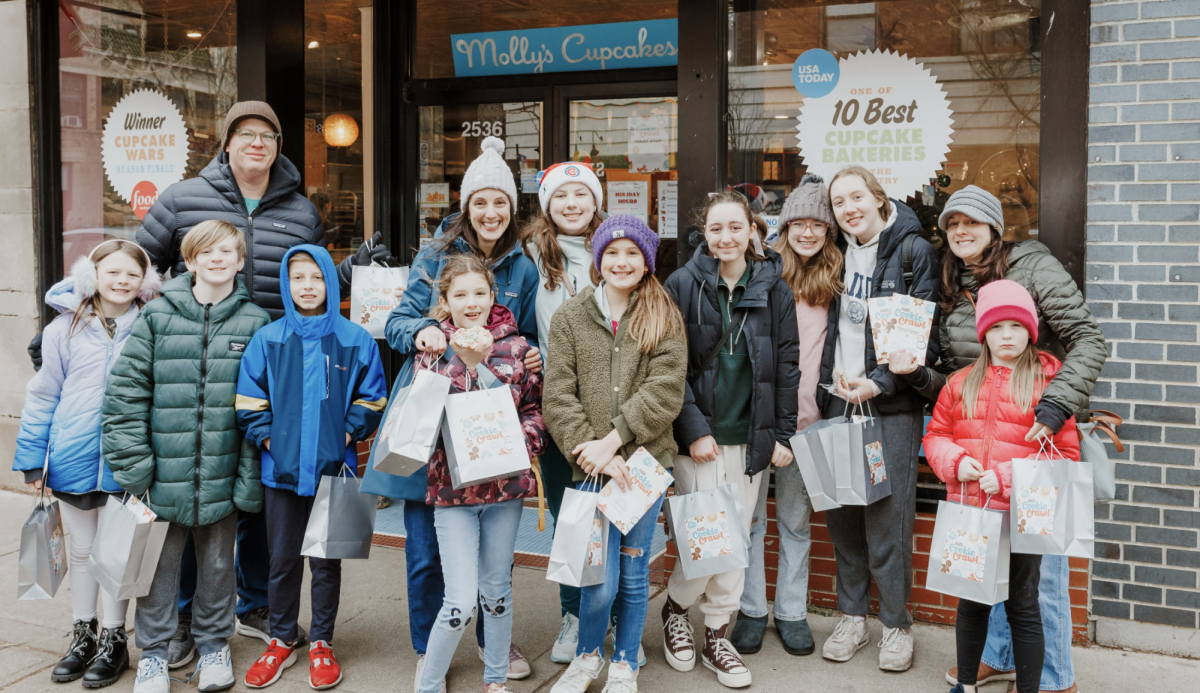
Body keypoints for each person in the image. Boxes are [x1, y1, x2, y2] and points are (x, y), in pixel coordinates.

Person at [126, 100, 391, 663]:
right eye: (245, 134)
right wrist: (88, 321)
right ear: (226, 142)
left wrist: (354, 271)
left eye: (268, 134)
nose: (257, 143)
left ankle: (254, 608)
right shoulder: (181, 199)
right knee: (198, 495)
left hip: (280, 372)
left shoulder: (299, 209)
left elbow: (311, 272)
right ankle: (182, 620)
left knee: (248, 506)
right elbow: (135, 270)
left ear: (278, 145)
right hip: (198, 368)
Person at [890, 185, 1105, 693]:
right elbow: (957, 382)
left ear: (994, 227)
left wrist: (1055, 406)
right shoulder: (953, 281)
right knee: (988, 568)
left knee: (1039, 577)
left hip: (1038, 430)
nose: (962, 232)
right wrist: (919, 375)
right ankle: (1001, 656)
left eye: (973, 222)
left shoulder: (1031, 265)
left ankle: (1054, 679)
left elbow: (1089, 339)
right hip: (983, 448)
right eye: (953, 224)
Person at [360, 135, 542, 686]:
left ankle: (493, 647)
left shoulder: (522, 266)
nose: (490, 213)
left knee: (494, 562)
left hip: (489, 426)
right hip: (433, 422)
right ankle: (427, 647)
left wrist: (531, 352)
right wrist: (422, 333)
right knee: (423, 552)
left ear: (512, 209)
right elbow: (395, 322)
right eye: (480, 202)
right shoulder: (433, 257)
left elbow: (523, 334)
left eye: (500, 203)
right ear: (466, 205)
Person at [102, 220, 272, 693]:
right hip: (160, 476)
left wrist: (248, 475)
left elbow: (263, 405)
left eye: (227, 252)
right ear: (190, 261)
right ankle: (153, 654)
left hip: (221, 474)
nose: (217, 259)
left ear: (240, 262)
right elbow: (125, 395)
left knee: (219, 566)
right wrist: (136, 468)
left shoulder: (255, 322)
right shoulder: (157, 317)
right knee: (156, 569)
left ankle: (214, 644)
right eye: (205, 252)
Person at [544, 214, 688, 693]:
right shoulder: (570, 317)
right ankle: (587, 658)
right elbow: (558, 395)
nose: (621, 262)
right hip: (590, 469)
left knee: (631, 572)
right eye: (612, 253)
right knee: (596, 577)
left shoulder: (663, 315)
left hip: (645, 468)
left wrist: (615, 439)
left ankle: (624, 662)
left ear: (646, 262)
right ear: (597, 259)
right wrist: (598, 453)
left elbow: (666, 389)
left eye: (632, 253)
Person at [661, 191, 800, 689]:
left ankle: (717, 634)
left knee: (734, 542)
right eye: (716, 229)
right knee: (705, 541)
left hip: (751, 436)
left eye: (735, 228)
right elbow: (667, 367)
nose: (726, 238)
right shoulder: (681, 284)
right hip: (701, 440)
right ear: (705, 232)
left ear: (753, 232)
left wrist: (783, 433)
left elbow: (787, 365)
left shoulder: (774, 287)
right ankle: (677, 608)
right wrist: (694, 430)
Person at [235, 246, 388, 690]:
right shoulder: (269, 339)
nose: (307, 287)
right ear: (286, 283)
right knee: (281, 559)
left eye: (316, 278)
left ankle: (322, 641)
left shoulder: (354, 338)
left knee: (325, 561)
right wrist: (268, 440)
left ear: (330, 281)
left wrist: (344, 435)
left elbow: (372, 397)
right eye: (297, 278)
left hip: (332, 471)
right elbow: (249, 401)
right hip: (279, 473)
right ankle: (282, 639)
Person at [13, 239, 160, 688]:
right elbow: (43, 395)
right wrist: (33, 455)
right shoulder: (63, 330)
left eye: (132, 275)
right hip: (73, 455)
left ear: (144, 283)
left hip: (127, 459)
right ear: (92, 276)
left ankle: (115, 640)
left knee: (115, 555)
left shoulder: (150, 326)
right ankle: (83, 634)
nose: (121, 281)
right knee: (81, 551)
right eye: (112, 272)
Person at [922, 280, 1081, 693]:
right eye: (996, 327)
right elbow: (936, 436)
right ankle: (967, 684)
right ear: (983, 332)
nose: (1005, 335)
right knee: (971, 604)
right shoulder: (959, 383)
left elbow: (1063, 455)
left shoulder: (1048, 384)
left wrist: (1009, 476)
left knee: (1023, 607)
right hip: (973, 513)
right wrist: (956, 462)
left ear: (1031, 330)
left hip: (1022, 519)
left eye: (1015, 325)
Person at [815, 165, 939, 672]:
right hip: (838, 402)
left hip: (888, 406)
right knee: (844, 518)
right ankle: (852, 618)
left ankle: (895, 625)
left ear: (877, 197)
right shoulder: (831, 254)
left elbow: (919, 341)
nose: (849, 208)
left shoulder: (912, 250)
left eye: (856, 197)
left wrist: (879, 383)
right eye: (839, 201)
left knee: (888, 520)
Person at [414, 253, 547, 693]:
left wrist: (521, 443)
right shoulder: (432, 353)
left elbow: (535, 410)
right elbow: (421, 422)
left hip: (505, 490)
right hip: (451, 493)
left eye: (479, 292)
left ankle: (495, 682)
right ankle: (429, 684)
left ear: (493, 295)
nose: (471, 302)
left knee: (496, 594)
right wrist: (464, 363)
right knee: (458, 601)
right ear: (445, 300)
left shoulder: (519, 349)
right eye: (460, 294)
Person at [730, 174, 842, 658]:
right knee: (750, 522)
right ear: (785, 226)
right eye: (798, 221)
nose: (807, 231)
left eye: (818, 223)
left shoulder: (839, 280)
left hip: (810, 422)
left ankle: (792, 612)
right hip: (759, 420)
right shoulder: (764, 274)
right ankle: (752, 610)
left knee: (795, 523)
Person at [520, 161, 614, 662]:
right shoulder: (531, 258)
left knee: (614, 519)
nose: (572, 203)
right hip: (556, 408)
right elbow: (507, 317)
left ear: (596, 201)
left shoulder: (619, 251)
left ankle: (615, 615)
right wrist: (523, 351)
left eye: (582, 194)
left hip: (612, 411)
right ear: (547, 205)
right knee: (568, 519)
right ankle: (574, 616)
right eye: (562, 196)